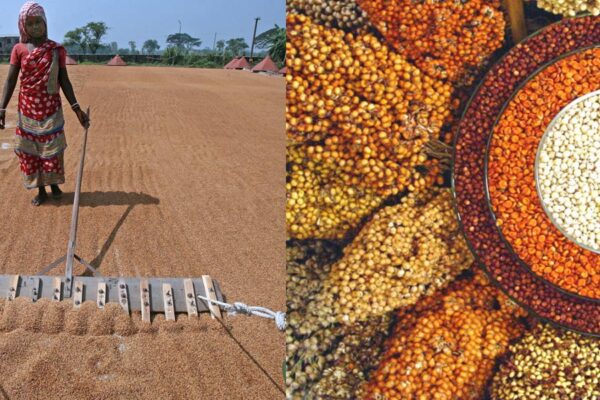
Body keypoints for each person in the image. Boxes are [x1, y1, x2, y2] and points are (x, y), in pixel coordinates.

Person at [0, 1, 90, 206]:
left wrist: (77, 109)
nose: (35, 27)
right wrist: (2, 108)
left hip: (51, 109)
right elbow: (11, 80)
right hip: (27, 110)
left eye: (38, 22)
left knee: (52, 149)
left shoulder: (56, 49)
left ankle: (54, 185)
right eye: (30, 23)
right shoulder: (19, 49)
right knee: (32, 152)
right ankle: (41, 190)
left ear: (45, 22)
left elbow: (64, 80)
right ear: (23, 26)